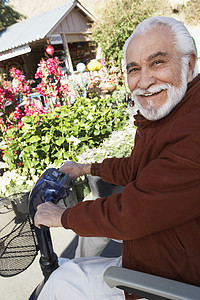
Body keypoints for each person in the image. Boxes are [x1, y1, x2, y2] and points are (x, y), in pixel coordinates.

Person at [34, 16, 200, 300]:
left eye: (158, 62)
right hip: (166, 239)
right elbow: (136, 168)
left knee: (61, 281)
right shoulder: (171, 114)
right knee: (90, 230)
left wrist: (62, 216)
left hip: (173, 276)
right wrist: (86, 167)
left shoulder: (192, 132)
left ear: (190, 65)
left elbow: (133, 214)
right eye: (134, 68)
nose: (145, 81)